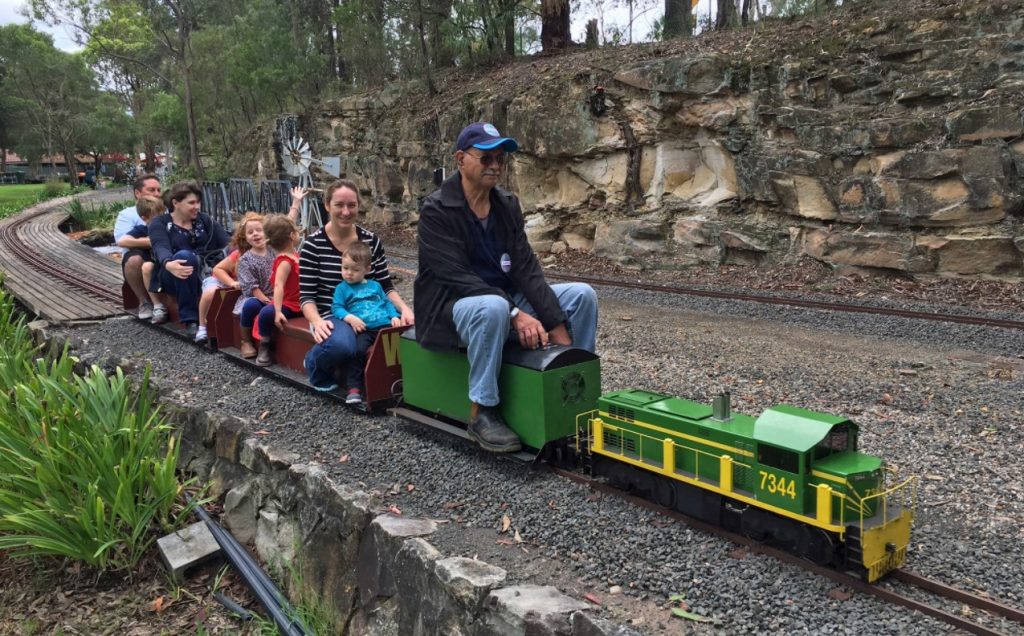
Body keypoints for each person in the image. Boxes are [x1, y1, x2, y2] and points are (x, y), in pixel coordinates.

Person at [415, 122, 598, 453]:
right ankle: (482, 411)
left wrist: (556, 325)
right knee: (493, 306)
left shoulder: (506, 204)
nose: (496, 166)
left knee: (582, 296)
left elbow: (526, 267)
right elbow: (456, 277)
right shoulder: (436, 210)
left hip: (501, 302)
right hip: (450, 307)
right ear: (460, 159)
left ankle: (574, 385)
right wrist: (516, 313)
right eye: (486, 158)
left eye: (501, 159)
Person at [299, 179, 414, 392]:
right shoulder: (312, 245)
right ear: (327, 206)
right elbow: (306, 296)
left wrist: (405, 309)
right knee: (342, 345)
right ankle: (313, 362)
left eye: (351, 205)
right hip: (332, 314)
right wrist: (317, 321)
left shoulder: (371, 240)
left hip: (370, 310)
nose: (345, 211)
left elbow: (385, 285)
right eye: (339, 205)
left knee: (414, 329)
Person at [148, 181, 229, 337]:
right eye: (191, 203)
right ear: (176, 203)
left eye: (198, 202)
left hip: (206, 270)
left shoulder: (205, 221)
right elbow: (160, 247)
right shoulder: (160, 223)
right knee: (184, 257)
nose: (197, 206)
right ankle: (190, 319)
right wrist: (168, 263)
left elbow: (227, 242)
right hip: (173, 272)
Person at [330, 241, 402, 404]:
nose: (349, 273)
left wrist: (394, 316)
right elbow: (337, 308)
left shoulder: (375, 286)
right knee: (358, 352)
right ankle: (353, 387)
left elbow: (387, 302)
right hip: (365, 329)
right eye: (345, 268)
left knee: (402, 343)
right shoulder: (342, 288)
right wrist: (350, 318)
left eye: (355, 270)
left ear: (367, 269)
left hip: (385, 325)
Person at [255, 214, 304, 367]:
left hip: (302, 302)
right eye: (296, 231)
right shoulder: (284, 261)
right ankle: (265, 344)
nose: (298, 234)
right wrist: (277, 311)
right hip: (289, 304)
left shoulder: (295, 255)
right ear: (291, 236)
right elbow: (278, 286)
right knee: (265, 313)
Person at [113, 173, 161, 319]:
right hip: (140, 254)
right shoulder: (128, 214)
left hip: (162, 252)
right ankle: (144, 302)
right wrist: (153, 241)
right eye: (152, 190)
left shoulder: (165, 210)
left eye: (159, 190)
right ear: (138, 193)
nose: (157, 194)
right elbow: (122, 241)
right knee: (135, 260)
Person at [233, 213, 275, 358]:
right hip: (258, 296)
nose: (255, 234)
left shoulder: (274, 251)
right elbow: (252, 288)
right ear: (245, 237)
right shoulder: (245, 260)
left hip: (278, 294)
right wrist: (267, 301)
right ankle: (246, 341)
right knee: (250, 306)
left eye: (259, 230)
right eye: (250, 232)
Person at [195, 247, 241, 343]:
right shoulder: (239, 253)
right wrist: (231, 283)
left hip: (246, 285)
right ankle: (202, 327)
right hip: (222, 280)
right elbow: (217, 269)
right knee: (211, 292)